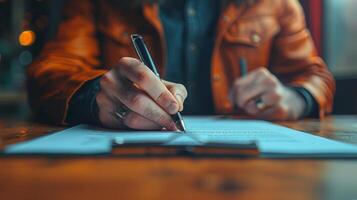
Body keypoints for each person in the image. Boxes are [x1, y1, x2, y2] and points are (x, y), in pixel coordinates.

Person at [27, 0, 335, 130]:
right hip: (122, 170)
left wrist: (294, 98)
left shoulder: (275, 3)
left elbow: (315, 76)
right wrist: (95, 97)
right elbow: (51, 73)